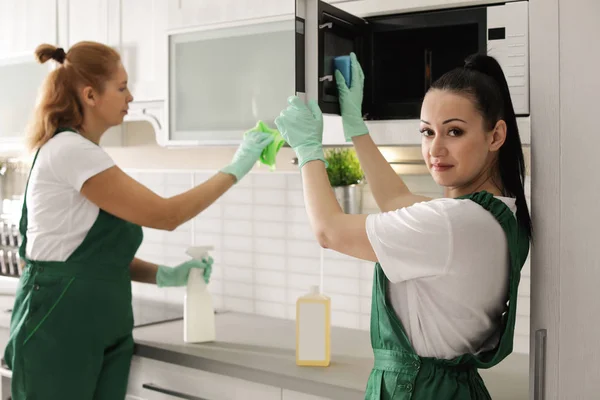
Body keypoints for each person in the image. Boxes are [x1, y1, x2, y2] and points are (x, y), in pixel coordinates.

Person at [3, 41, 274, 400]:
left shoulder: (83, 153)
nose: (130, 97)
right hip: (63, 322)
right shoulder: (72, 152)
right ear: (90, 95)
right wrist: (238, 166)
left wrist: (164, 274)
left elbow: (92, 258)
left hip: (99, 321)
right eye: (121, 87)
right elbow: (167, 215)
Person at [274, 53, 531, 399]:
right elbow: (396, 200)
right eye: (427, 132)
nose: (435, 149)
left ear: (496, 135)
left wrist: (307, 149)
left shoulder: (452, 223)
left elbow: (328, 231)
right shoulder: (494, 215)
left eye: (454, 131)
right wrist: (356, 127)